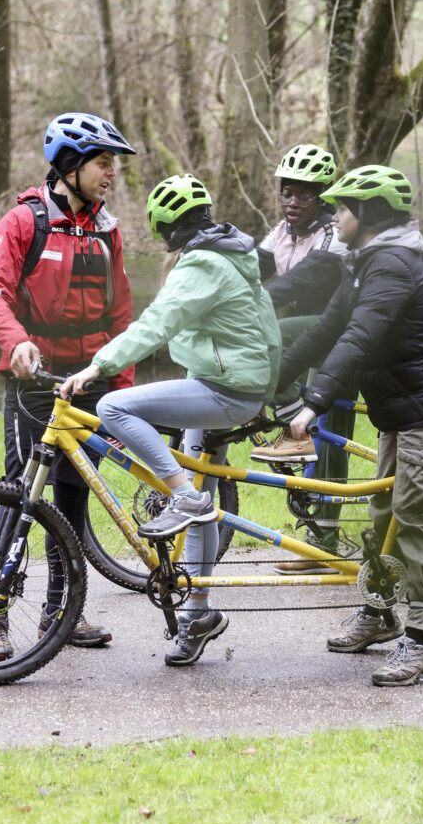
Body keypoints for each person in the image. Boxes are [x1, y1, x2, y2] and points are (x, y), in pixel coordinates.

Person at [59, 174, 281, 668]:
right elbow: (265, 327)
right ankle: (198, 613)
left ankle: (181, 496)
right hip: (231, 385)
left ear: (165, 230)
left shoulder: (202, 263)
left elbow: (157, 324)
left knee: (114, 408)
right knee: (203, 500)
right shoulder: (231, 253)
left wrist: (100, 365)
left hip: (224, 391)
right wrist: (267, 390)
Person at [278, 165, 423, 687]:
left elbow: (360, 337)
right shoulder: (364, 262)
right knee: (385, 510)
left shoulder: (391, 265)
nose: (334, 214)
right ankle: (380, 612)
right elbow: (326, 332)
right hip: (402, 406)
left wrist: (315, 400)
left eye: (342, 207)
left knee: (413, 514)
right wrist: (267, 385)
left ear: (366, 214)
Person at [0, 112, 135, 661]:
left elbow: (121, 316)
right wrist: (15, 341)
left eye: (113, 163)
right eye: (103, 162)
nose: (111, 173)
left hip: (90, 380)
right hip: (36, 379)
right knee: (23, 489)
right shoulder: (24, 222)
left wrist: (123, 387)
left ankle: (59, 611)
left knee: (73, 492)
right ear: (70, 165)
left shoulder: (107, 229)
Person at [249, 143, 353, 572]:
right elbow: (251, 269)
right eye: (287, 192)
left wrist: (256, 306)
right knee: (323, 431)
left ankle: (323, 542)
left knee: (330, 433)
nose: (293, 202)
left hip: (341, 336)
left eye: (304, 195)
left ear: (323, 199)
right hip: (311, 334)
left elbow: (299, 283)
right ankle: (318, 538)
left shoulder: (333, 237)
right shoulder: (282, 232)